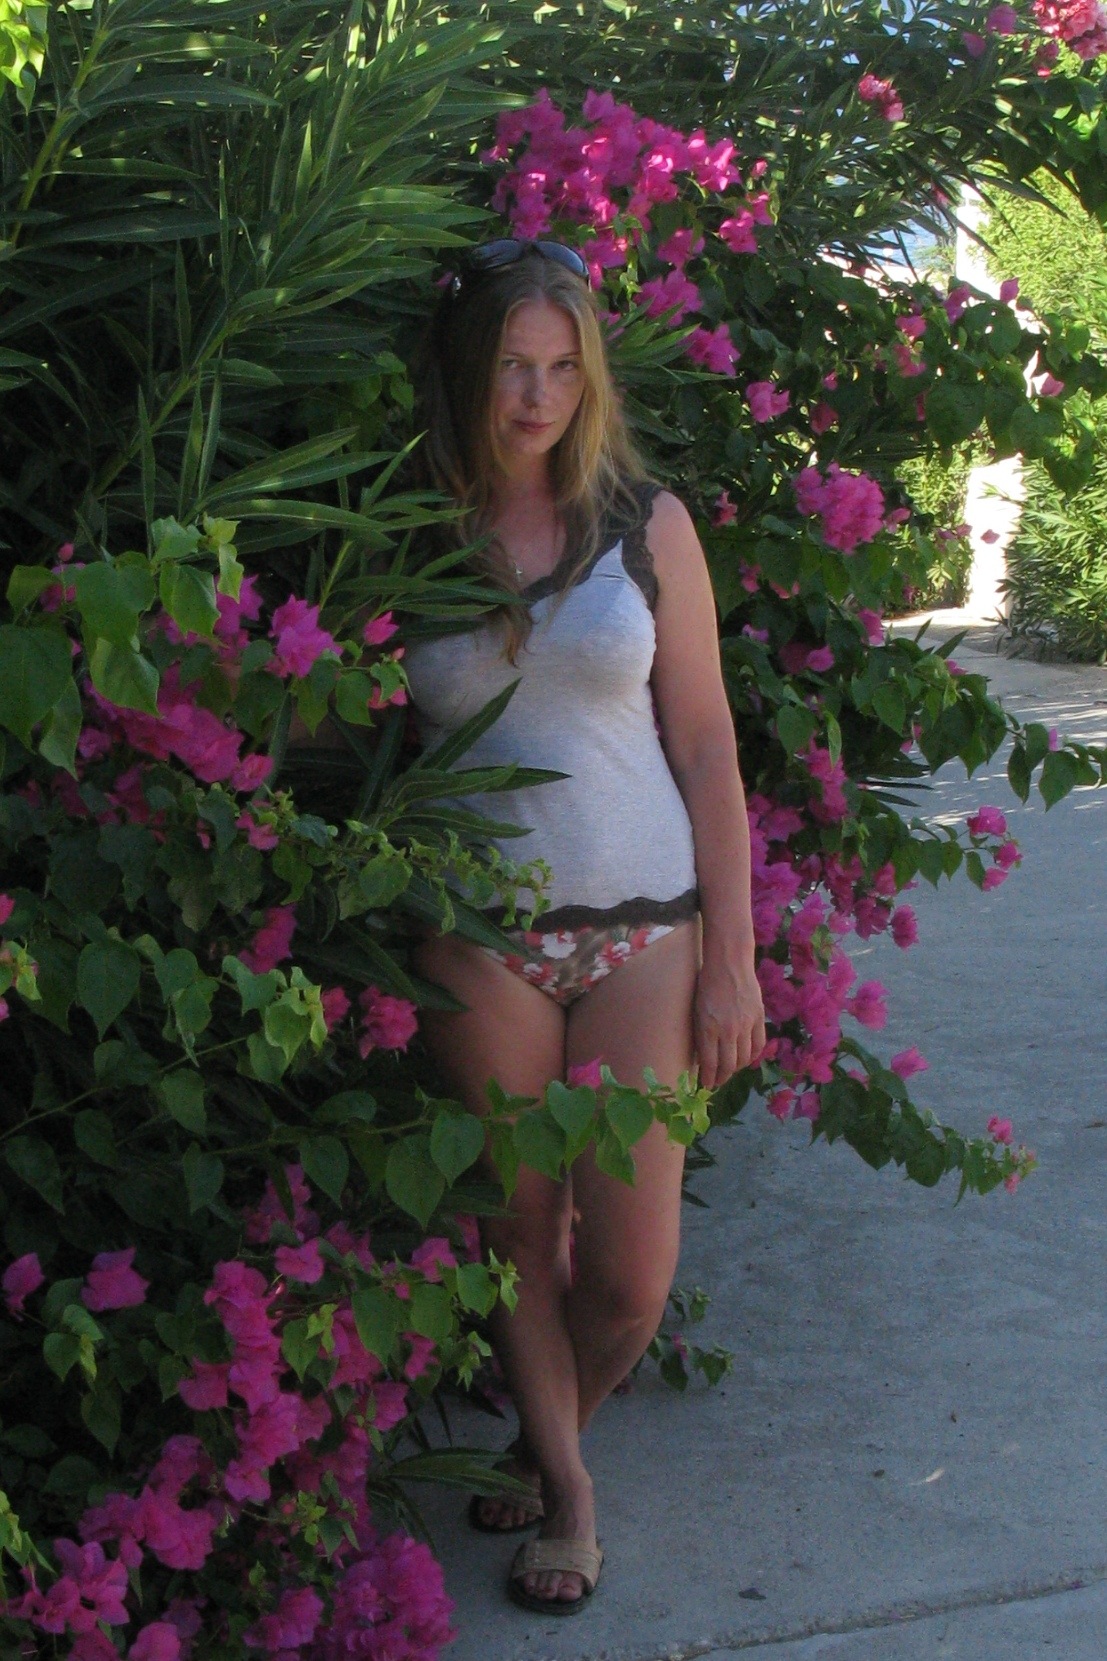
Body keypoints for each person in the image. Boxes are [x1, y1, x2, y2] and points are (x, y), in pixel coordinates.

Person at [403, 239, 766, 1615]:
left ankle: (549, 1433)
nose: (537, 396)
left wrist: (732, 960)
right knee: (517, 1234)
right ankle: (568, 1491)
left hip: (645, 932)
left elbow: (709, 748)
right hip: (479, 933)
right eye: (513, 365)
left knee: (626, 1277)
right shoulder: (411, 533)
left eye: (562, 367)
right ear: (472, 371)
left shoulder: (645, 526)